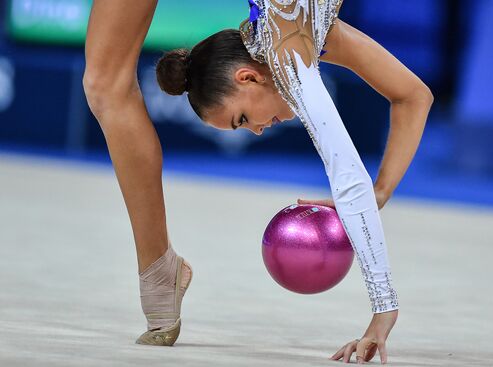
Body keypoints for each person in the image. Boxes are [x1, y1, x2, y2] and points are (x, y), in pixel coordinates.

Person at [84, 0, 433, 363]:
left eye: (243, 119)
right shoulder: (313, 32)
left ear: (248, 77)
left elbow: (346, 172)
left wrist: (383, 310)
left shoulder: (288, 46)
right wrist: (380, 191)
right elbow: (412, 95)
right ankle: (158, 268)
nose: (258, 130)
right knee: (103, 84)